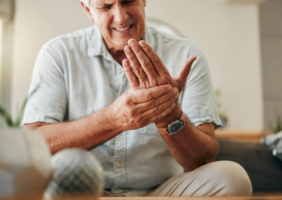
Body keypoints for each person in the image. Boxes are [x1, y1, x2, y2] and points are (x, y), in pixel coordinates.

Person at [22, 0, 252, 197]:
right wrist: (112, 119)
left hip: (162, 192)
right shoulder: (58, 53)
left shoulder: (186, 55)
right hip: (86, 193)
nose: (120, 18)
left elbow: (202, 160)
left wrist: (169, 115)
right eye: (105, 6)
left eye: (128, 1)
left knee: (233, 178)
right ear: (88, 9)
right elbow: (33, 145)